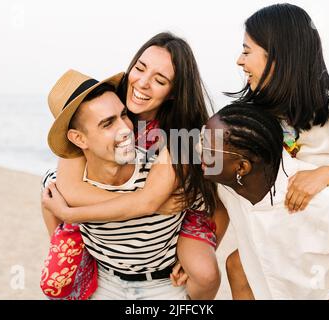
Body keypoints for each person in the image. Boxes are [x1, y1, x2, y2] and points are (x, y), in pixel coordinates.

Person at [42, 32, 229, 300]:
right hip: (113, 254)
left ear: (174, 92)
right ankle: (76, 250)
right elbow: (70, 189)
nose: (142, 82)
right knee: (49, 188)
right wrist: (144, 204)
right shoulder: (100, 105)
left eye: (160, 80)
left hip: (180, 225)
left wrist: (206, 245)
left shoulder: (183, 135)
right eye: (140, 68)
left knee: (204, 271)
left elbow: (219, 203)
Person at [225, 3, 329, 299]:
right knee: (237, 265)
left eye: (247, 50)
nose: (239, 61)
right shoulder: (256, 121)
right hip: (291, 259)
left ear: (277, 57)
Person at [200, 102, 329, 299]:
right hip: (280, 287)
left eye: (208, 149)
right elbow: (178, 148)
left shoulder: (317, 202)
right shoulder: (232, 186)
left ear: (241, 168)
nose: (200, 151)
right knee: (236, 265)